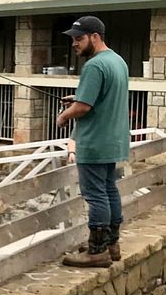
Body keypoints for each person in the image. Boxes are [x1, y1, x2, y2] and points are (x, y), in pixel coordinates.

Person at [55, 16, 131, 267]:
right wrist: (76, 99)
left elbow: (85, 107)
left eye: (79, 38)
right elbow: (97, 97)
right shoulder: (117, 61)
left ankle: (96, 251)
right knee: (110, 190)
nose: (74, 44)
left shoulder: (94, 66)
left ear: (95, 37)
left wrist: (65, 115)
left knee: (96, 195)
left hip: (94, 142)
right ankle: (112, 244)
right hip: (113, 140)